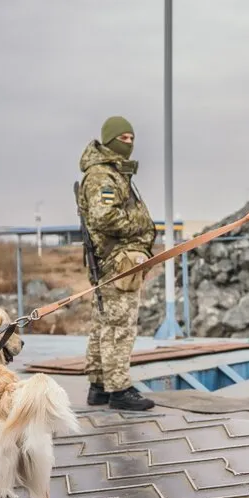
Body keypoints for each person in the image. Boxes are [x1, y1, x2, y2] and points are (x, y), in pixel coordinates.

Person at [78, 115, 158, 412]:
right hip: (116, 261)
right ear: (109, 140)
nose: (129, 144)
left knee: (104, 323)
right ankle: (119, 389)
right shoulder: (102, 175)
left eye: (131, 139)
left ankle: (99, 385)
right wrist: (140, 223)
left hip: (113, 261)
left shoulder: (112, 172)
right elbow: (104, 216)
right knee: (119, 327)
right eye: (123, 139)